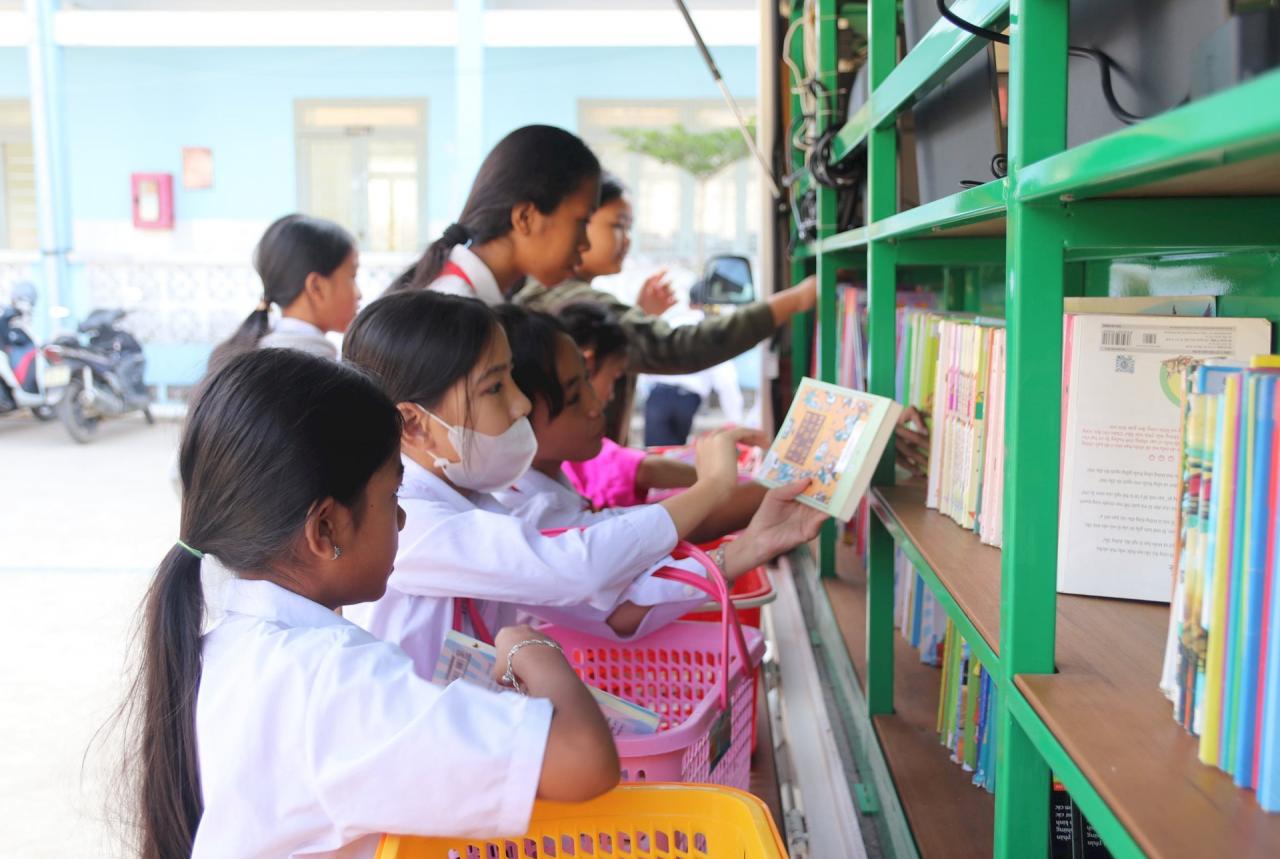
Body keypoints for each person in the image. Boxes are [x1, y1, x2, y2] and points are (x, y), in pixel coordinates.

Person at [123, 348, 618, 859]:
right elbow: (583, 760)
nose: (401, 521)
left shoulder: (231, 642)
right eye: (391, 498)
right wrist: (532, 652)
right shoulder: (332, 682)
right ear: (325, 529)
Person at [339, 290, 826, 679]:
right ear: (414, 425)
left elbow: (610, 611)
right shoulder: (411, 524)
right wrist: (711, 488)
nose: (522, 405)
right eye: (494, 388)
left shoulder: (477, 504)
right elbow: (575, 568)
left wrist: (748, 549)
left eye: (513, 381)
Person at [514, 172, 818, 443]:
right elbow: (679, 347)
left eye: (629, 229)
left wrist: (640, 316)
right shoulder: (567, 299)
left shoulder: (555, 295)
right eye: (617, 226)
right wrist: (795, 301)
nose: (626, 241)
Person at [491, 304, 770, 542]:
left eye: (587, 384)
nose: (596, 406)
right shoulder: (532, 517)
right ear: (516, 410)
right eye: (575, 396)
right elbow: (636, 533)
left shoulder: (544, 482)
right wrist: (718, 482)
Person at [395, 125, 600, 305]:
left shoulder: (484, 299)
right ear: (525, 218)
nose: (586, 244)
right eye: (583, 221)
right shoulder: (457, 308)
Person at [208, 214, 360, 370]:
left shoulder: (254, 354)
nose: (359, 294)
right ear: (316, 287)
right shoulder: (317, 370)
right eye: (352, 277)